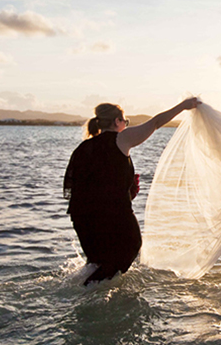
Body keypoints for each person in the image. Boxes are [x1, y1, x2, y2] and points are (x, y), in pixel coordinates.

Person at [64, 98, 199, 285]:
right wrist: (183, 106)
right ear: (117, 121)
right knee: (130, 249)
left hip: (82, 218)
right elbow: (156, 123)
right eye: (124, 121)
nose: (125, 126)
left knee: (99, 261)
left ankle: (84, 292)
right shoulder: (121, 138)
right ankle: (86, 289)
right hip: (112, 215)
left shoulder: (83, 147)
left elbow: (80, 185)